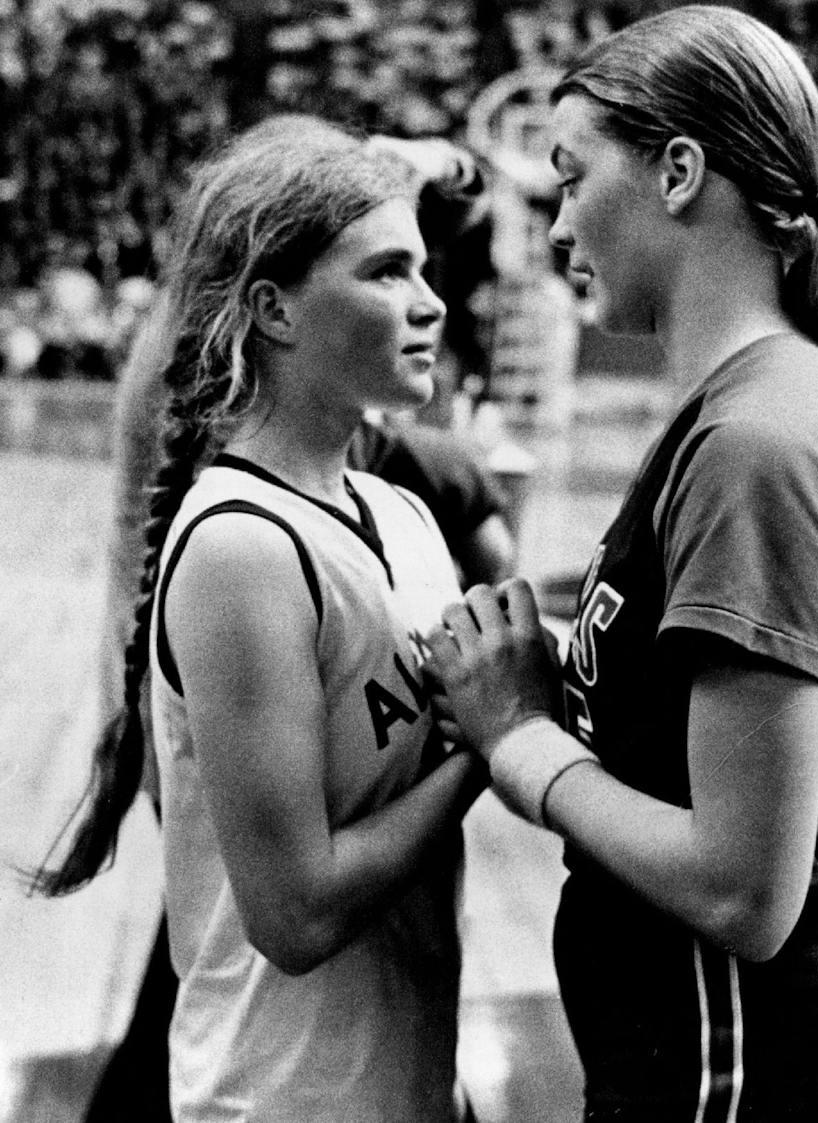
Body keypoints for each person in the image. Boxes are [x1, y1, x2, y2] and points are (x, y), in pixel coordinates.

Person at [418, 6, 818, 1120]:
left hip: (738, 1067)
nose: (559, 223)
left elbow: (739, 888)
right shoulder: (747, 409)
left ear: (677, 171)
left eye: (571, 178)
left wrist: (516, 741)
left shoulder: (758, 442)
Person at [33, 115, 485, 1121]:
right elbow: (297, 911)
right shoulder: (242, 547)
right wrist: (491, 750)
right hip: (281, 1098)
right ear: (274, 310)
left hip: (409, 1081)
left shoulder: (403, 515)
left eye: (424, 267)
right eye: (386, 272)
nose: (429, 303)